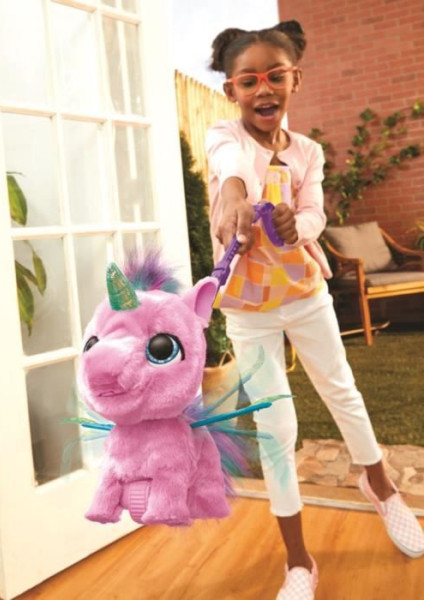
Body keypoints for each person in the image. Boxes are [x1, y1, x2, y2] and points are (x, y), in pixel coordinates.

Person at [206, 20, 424, 600]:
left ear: (294, 80)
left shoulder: (308, 151)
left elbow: (315, 213)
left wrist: (295, 225)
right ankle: (298, 561)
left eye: (275, 76)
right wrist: (235, 195)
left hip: (303, 295)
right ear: (232, 90)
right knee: (276, 426)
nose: (263, 89)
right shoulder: (224, 135)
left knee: (342, 391)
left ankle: (380, 486)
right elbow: (230, 164)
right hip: (249, 308)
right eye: (249, 80)